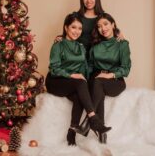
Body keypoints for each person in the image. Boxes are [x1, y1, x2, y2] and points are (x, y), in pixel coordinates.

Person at [45, 12, 111, 146]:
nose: (77, 31)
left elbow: (85, 68)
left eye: (79, 28)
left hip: (73, 83)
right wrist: (71, 75)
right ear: (66, 28)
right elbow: (54, 68)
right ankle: (94, 119)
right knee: (80, 83)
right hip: (56, 81)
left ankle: (71, 134)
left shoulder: (80, 47)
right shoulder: (58, 45)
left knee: (80, 96)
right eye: (73, 27)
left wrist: (102, 73)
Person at [78, 13, 131, 144]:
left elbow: (126, 68)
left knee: (98, 82)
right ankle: (102, 136)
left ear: (113, 25)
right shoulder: (95, 45)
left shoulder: (122, 44)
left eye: (106, 24)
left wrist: (109, 75)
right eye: (99, 26)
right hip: (97, 79)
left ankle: (87, 122)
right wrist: (83, 79)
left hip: (115, 80)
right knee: (96, 84)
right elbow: (89, 66)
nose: (103, 28)